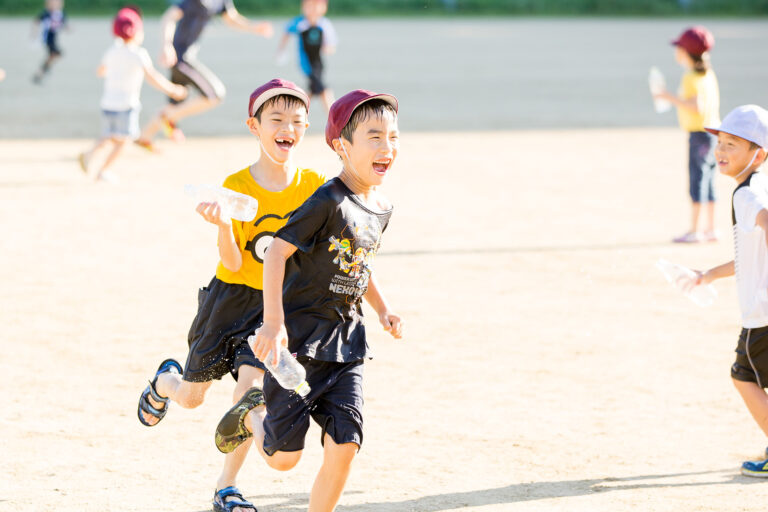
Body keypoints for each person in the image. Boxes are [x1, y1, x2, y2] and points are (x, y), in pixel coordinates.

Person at [136, 78, 326, 512]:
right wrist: (223, 225)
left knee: (249, 393)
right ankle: (166, 380)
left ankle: (227, 486)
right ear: (253, 126)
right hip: (229, 300)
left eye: (297, 121)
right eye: (276, 119)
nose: (287, 128)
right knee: (191, 397)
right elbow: (236, 264)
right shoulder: (237, 185)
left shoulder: (314, 186)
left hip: (272, 306)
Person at [214, 89, 404, 512]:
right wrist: (273, 323)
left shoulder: (383, 206)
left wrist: (382, 308)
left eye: (393, 137)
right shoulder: (326, 200)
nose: (387, 148)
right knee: (283, 459)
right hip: (300, 345)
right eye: (374, 137)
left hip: (347, 345)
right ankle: (250, 412)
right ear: (341, 145)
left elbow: (358, 263)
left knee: (345, 444)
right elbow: (277, 252)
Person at [684, 105, 768, 476]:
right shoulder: (759, 186)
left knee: (743, 377)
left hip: (761, 316)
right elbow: (749, 256)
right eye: (721, 142)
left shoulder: (746, 196)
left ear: (758, 154)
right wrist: (709, 274)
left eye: (733, 144)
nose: (722, 151)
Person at [135, 0, 273, 150]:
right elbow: (169, 17)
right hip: (180, 58)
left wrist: (254, 28)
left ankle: (145, 137)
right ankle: (167, 118)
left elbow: (231, 18)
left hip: (185, 58)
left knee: (176, 103)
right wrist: (166, 45)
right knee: (214, 95)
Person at [78, 8, 187, 183]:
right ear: (137, 32)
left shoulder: (112, 51)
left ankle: (90, 154)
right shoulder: (139, 54)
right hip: (126, 105)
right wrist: (173, 90)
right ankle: (103, 171)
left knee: (109, 136)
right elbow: (153, 77)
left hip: (107, 104)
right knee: (125, 140)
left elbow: (100, 70)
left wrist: (112, 70)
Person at [654, 26, 721, 243]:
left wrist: (667, 96)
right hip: (713, 134)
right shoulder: (708, 74)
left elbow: (696, 106)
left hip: (699, 136)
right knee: (709, 180)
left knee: (697, 181)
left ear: (685, 53)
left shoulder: (691, 77)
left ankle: (695, 230)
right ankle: (710, 229)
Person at [277, 0, 336, 112]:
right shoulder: (301, 23)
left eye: (317, 6)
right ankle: (335, 119)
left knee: (313, 91)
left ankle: (292, 111)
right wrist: (281, 51)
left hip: (318, 63)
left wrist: (327, 48)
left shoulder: (324, 24)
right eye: (309, 5)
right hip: (306, 63)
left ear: (324, 8)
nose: (312, 9)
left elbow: (331, 45)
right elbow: (287, 32)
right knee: (324, 90)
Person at [31, 0, 68, 84]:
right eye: (53, 3)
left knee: (56, 55)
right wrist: (34, 33)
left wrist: (68, 28)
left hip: (53, 39)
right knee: (55, 54)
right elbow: (36, 21)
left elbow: (64, 24)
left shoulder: (60, 14)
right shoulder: (47, 13)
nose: (56, 5)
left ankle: (42, 71)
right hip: (47, 39)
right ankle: (43, 70)